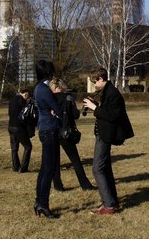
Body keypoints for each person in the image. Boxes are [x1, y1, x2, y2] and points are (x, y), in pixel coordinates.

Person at [83, 68, 131, 215]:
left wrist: (94, 108)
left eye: (95, 81)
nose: (94, 85)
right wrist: (96, 104)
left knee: (97, 168)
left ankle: (109, 205)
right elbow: (108, 110)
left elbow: (113, 116)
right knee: (105, 168)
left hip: (106, 135)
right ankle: (112, 201)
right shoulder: (108, 91)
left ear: (101, 79)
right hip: (103, 134)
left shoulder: (112, 93)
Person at [50, 78, 94, 191]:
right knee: (75, 160)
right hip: (66, 132)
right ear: (60, 87)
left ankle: (58, 186)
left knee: (54, 160)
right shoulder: (68, 98)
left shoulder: (49, 99)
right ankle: (85, 184)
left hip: (52, 131)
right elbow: (75, 115)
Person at [33, 59, 61, 218]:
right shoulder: (44, 89)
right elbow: (57, 108)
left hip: (44, 129)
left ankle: (39, 202)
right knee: (48, 170)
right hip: (50, 130)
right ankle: (43, 204)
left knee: (45, 169)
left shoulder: (38, 88)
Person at [7, 88, 32, 173]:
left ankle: (15, 166)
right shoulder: (22, 101)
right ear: (25, 94)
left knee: (14, 148)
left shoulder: (12, 100)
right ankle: (23, 167)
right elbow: (25, 115)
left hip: (10, 126)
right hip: (19, 127)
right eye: (27, 96)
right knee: (28, 146)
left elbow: (9, 113)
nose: (27, 98)